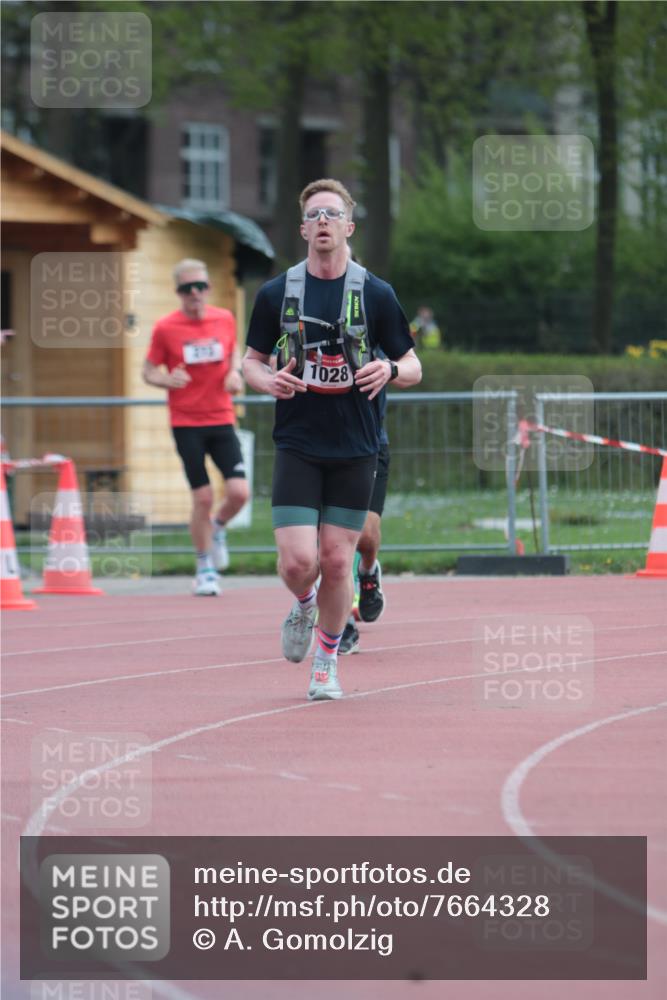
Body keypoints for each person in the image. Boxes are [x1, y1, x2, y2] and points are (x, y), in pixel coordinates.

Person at [242, 178, 421, 701]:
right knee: (300, 562)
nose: (323, 221)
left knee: (338, 559)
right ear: (302, 228)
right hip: (298, 441)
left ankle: (326, 662)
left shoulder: (376, 293)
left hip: (356, 444)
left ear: (348, 226)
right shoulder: (277, 293)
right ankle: (303, 604)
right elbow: (249, 362)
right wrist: (267, 381)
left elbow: (413, 363)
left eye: (332, 214)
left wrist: (388, 368)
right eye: (315, 214)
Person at [142, 258, 250, 596]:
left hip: (221, 417)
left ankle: (217, 528)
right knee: (202, 497)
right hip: (186, 421)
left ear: (209, 289)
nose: (195, 294)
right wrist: (166, 379)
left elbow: (234, 354)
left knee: (239, 493)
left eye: (200, 287)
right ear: (178, 292)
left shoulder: (225, 318)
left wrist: (235, 374)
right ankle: (204, 568)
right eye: (187, 288)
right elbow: (147, 371)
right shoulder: (165, 328)